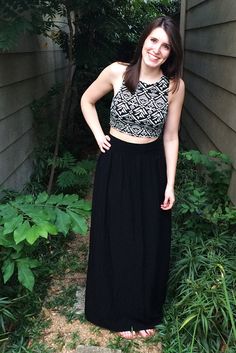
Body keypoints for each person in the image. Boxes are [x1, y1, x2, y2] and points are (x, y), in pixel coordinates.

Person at [80, 16, 185, 340]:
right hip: (117, 163)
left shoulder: (174, 86)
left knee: (148, 241)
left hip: (150, 166)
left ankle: (141, 312)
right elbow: (87, 100)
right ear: (143, 41)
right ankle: (117, 312)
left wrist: (169, 182)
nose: (157, 49)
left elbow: (171, 137)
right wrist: (99, 135)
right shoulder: (117, 72)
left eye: (165, 45)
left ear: (171, 52)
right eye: (153, 41)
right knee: (118, 236)